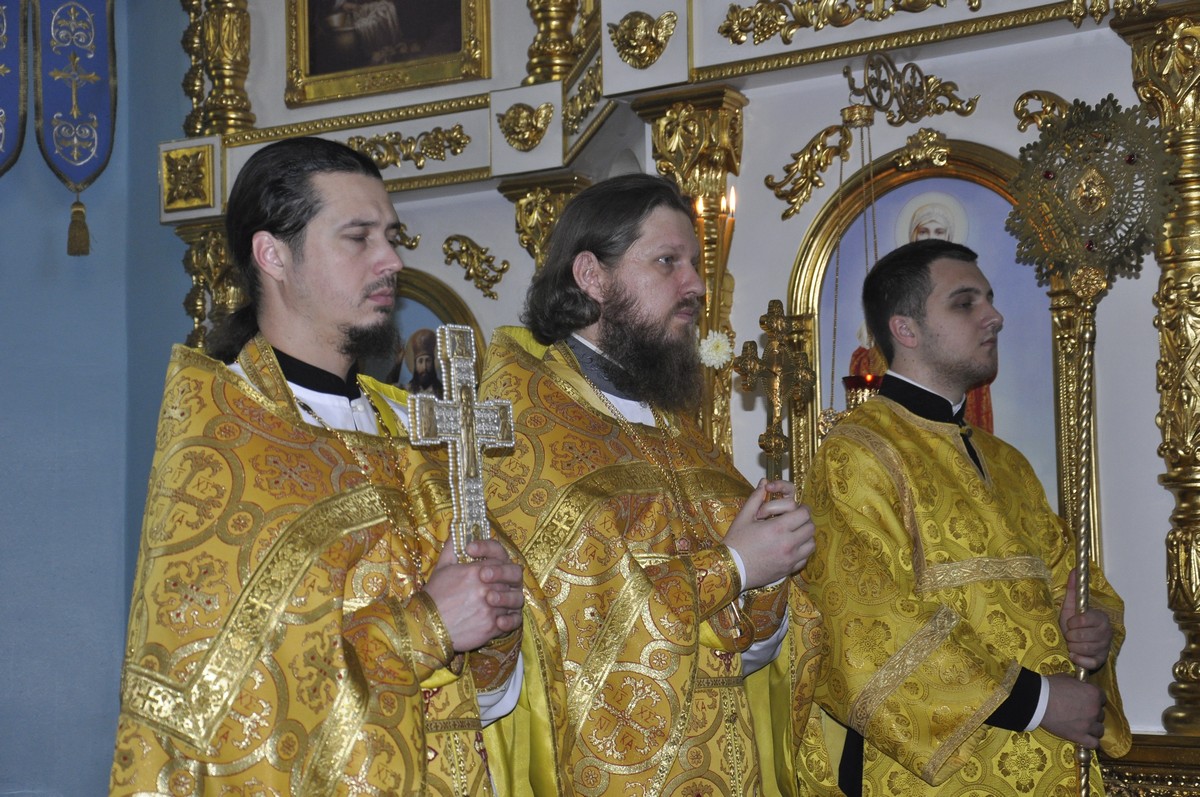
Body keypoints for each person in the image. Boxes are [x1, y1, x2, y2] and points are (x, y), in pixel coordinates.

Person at [109, 137, 568, 795]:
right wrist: (429, 625)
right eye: (358, 237)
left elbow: (478, 706)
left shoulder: (408, 432)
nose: (392, 260)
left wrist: (492, 624)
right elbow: (235, 706)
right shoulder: (228, 440)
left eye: (391, 236)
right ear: (273, 255)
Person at [479, 173, 821, 795]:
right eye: (667, 262)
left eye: (694, 264)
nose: (696, 286)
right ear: (591, 275)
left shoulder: (678, 428)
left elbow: (741, 654)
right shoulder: (523, 429)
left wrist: (772, 574)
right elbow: (574, 634)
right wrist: (736, 566)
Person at [801, 239, 1130, 796]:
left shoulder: (1009, 464)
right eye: (965, 303)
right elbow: (864, 628)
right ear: (905, 329)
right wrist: (1038, 701)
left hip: (1052, 767)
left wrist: (1094, 631)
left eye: (990, 299)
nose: (993, 316)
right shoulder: (857, 454)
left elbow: (1074, 583)